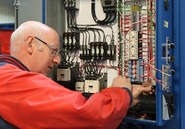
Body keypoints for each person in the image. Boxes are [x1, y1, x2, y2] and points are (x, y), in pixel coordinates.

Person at [0, 21, 151, 129]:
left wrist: (127, 99)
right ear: (31, 44)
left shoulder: (8, 75)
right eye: (53, 51)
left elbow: (62, 112)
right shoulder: (9, 79)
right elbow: (90, 116)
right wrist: (121, 91)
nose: (57, 60)